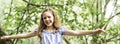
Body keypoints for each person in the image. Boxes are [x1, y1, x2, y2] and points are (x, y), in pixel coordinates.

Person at [1, 8, 105, 44]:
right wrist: (9, 37)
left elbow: (77, 33)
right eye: (44, 18)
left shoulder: (60, 30)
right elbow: (24, 35)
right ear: (42, 20)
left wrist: (94, 31)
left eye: (49, 17)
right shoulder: (40, 31)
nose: (47, 19)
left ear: (54, 17)